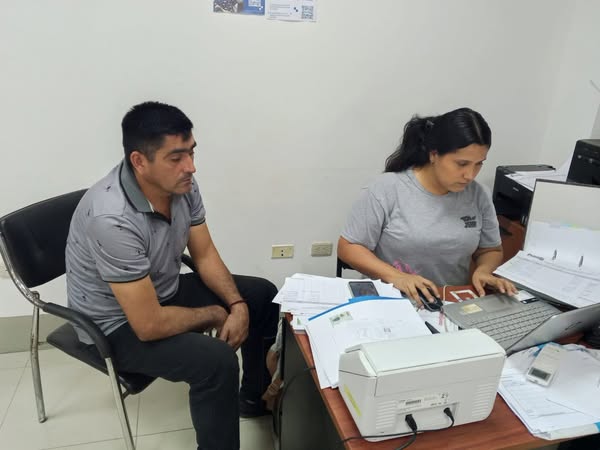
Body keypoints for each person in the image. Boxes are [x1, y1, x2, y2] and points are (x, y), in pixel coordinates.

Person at [65, 101, 280, 450]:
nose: (190, 167)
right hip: (116, 324)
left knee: (262, 295)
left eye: (191, 152)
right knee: (216, 362)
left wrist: (237, 305)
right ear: (139, 161)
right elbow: (148, 325)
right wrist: (215, 313)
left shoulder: (182, 185)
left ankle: (254, 397)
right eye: (176, 157)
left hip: (161, 291)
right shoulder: (111, 218)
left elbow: (204, 254)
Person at [338, 107, 517, 303]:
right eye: (462, 164)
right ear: (434, 154)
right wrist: (397, 277)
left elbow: (490, 250)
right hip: (390, 300)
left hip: (449, 303)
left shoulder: (478, 195)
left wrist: (483, 270)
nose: (470, 175)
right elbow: (349, 247)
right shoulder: (385, 189)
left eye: (479, 164)